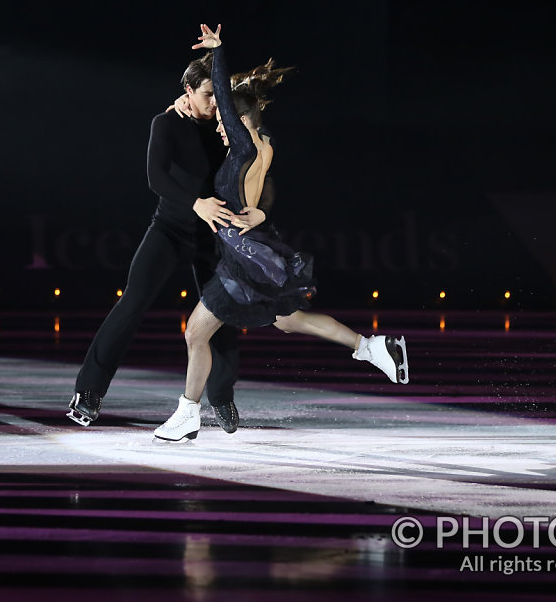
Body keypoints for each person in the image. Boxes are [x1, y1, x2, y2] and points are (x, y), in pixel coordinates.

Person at [154, 24, 410, 443]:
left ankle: (187, 414)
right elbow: (251, 189)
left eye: (223, 120)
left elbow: (223, 97)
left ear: (238, 120)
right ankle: (375, 349)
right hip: (254, 251)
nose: (220, 127)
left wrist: (218, 55)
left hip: (243, 261)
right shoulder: (265, 144)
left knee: (196, 332)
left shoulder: (243, 148)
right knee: (293, 321)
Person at [67, 49, 274, 432]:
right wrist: (197, 204)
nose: (216, 103)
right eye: (208, 95)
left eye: (219, 95)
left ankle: (222, 397)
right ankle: (89, 392)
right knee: (132, 303)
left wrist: (260, 209)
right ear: (188, 91)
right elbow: (155, 177)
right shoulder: (166, 123)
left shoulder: (227, 128)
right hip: (170, 229)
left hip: (217, 236)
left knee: (220, 317)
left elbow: (258, 168)